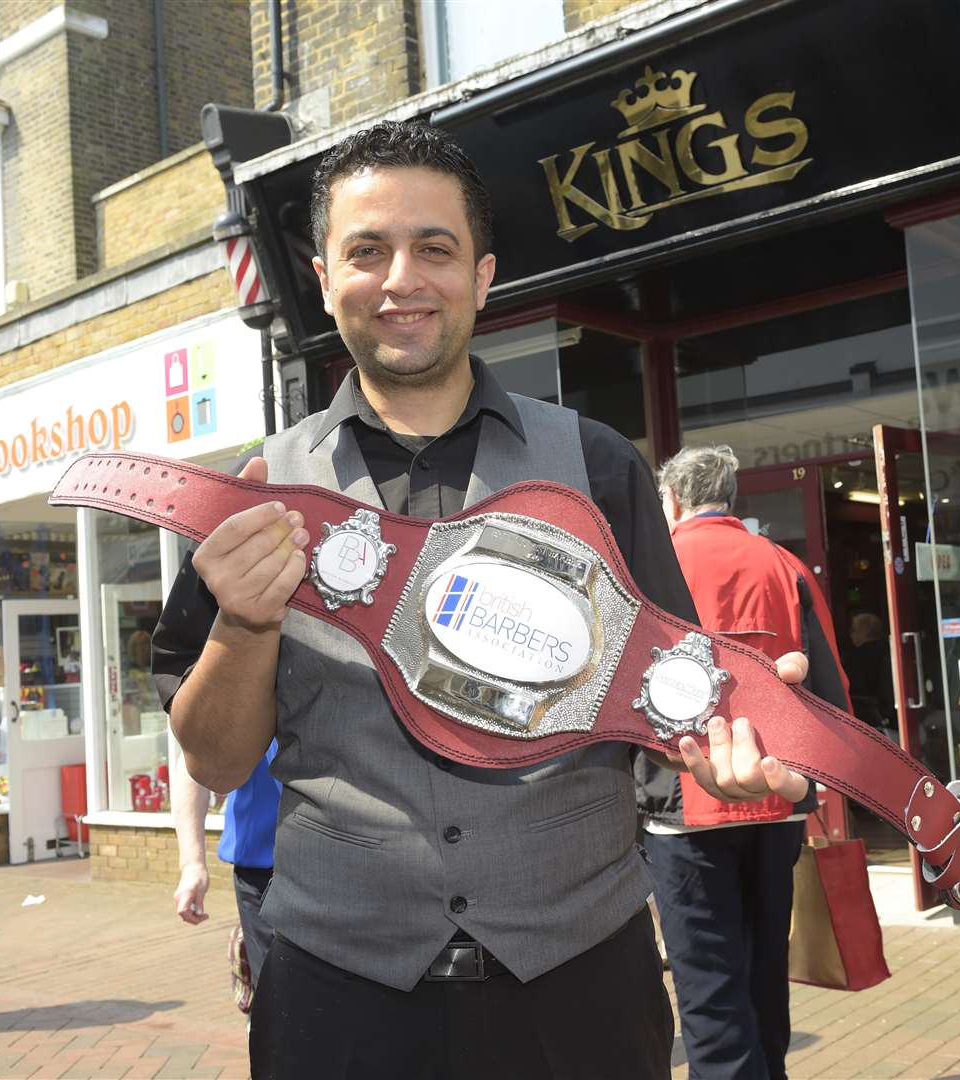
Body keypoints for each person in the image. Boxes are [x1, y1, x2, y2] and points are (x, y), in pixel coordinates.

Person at [150, 121, 813, 1079]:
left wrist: (727, 752)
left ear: (484, 274)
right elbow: (214, 755)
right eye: (367, 251)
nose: (401, 279)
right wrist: (249, 620)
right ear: (325, 277)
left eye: (434, 248)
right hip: (337, 994)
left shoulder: (593, 465)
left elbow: (667, 701)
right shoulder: (258, 491)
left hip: (580, 982)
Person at [640, 445, 852, 1080]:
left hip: (684, 808)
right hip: (775, 800)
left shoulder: (653, 562)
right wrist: (809, 794)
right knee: (765, 978)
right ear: (729, 500)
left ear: (672, 501)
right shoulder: (783, 563)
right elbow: (830, 694)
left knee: (709, 990)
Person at [170, 739, 281, 1014]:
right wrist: (192, 864)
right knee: (280, 1006)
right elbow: (194, 757)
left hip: (354, 866)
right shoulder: (241, 694)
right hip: (263, 872)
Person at [843, 611, 894, 729]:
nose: (851, 635)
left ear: (863, 632)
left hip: (873, 717)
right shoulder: (891, 650)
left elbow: (851, 687)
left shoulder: (858, 658)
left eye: (853, 630)